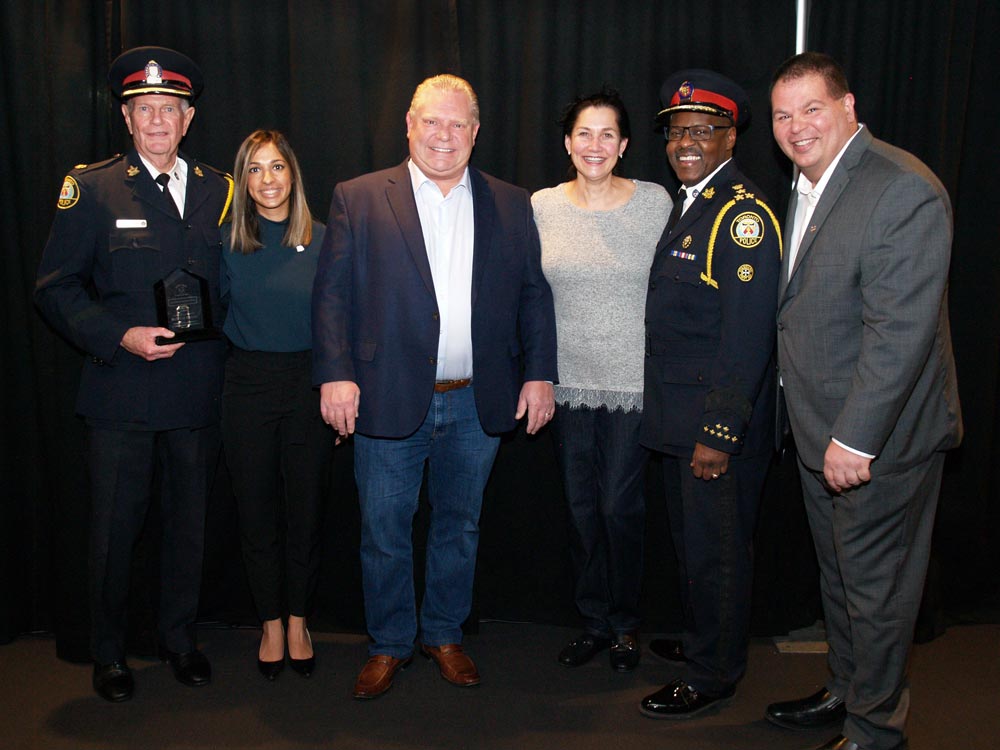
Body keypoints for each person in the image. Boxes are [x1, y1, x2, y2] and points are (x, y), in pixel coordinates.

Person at [312, 73, 558, 700]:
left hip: (480, 399)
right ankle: (390, 643)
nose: (443, 136)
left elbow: (533, 293)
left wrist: (538, 373)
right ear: (408, 124)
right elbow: (333, 297)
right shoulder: (358, 197)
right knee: (384, 529)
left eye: (457, 124)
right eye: (431, 121)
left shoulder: (509, 201)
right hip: (385, 395)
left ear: (475, 132)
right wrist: (335, 375)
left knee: (460, 524)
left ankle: (443, 633)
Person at [765, 52, 962, 750]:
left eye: (812, 108)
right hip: (823, 432)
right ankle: (847, 692)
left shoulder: (900, 188)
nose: (797, 127)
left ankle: (876, 730)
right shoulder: (810, 183)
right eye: (783, 115)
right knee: (840, 579)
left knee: (877, 591)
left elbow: (899, 333)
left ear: (849, 108)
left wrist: (856, 439)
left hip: (878, 443)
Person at [34, 46, 233, 701]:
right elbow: (56, 287)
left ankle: (180, 640)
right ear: (126, 119)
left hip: (195, 390)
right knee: (114, 532)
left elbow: (232, 284)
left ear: (188, 118)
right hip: (120, 389)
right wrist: (119, 334)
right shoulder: (90, 188)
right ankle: (110, 653)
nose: (156, 119)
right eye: (143, 108)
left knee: (189, 526)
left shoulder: (217, 189)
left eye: (168, 109)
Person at [639, 70, 781, 718]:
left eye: (703, 130)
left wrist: (719, 432)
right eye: (677, 131)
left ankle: (713, 674)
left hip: (711, 427)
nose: (687, 142)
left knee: (717, 553)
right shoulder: (694, 200)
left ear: (730, 137)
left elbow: (747, 337)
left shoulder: (742, 214)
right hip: (680, 416)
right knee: (693, 547)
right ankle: (704, 642)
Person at [531, 89, 669, 672]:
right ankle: (594, 620)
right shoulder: (540, 205)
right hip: (566, 386)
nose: (595, 145)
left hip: (635, 384)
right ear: (567, 143)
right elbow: (527, 296)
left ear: (625, 145)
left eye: (607, 134)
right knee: (581, 507)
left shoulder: (656, 203)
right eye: (584, 134)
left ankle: (626, 622)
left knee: (619, 506)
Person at [221, 130, 333, 681]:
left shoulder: (326, 239)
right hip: (246, 386)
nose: (267, 180)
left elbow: (343, 324)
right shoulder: (226, 242)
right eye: (255, 170)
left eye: (277, 167)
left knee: (305, 513)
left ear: (293, 174)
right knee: (256, 512)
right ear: (243, 181)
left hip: (309, 386)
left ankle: (297, 620)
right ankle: (268, 621)